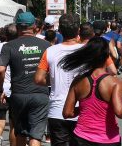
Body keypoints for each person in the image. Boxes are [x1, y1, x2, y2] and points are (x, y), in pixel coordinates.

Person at [61, 37, 122, 146]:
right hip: (107, 139)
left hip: (80, 138)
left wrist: (84, 108)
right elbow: (119, 111)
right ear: (107, 56)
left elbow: (67, 113)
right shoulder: (114, 82)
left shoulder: (78, 80)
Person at [0, 12, 50, 146]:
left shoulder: (9, 46)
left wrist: (0, 88)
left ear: (18, 27)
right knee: (35, 136)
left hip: (19, 95)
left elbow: (0, 69)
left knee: (20, 132)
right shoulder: (46, 45)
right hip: (40, 94)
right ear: (34, 26)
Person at [34, 14, 82, 146]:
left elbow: (38, 79)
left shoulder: (50, 51)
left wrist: (53, 81)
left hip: (57, 110)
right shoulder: (86, 51)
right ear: (78, 30)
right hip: (81, 109)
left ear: (59, 30)